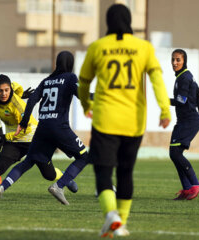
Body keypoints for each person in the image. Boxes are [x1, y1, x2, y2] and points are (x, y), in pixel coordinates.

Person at [78, 4, 171, 237]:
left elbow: (84, 81)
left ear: (108, 22)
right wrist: (164, 110)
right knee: (126, 173)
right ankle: (120, 224)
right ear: (130, 22)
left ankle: (111, 215)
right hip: (134, 121)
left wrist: (85, 104)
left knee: (103, 171)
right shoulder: (144, 48)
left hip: (105, 120)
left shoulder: (98, 47)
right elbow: (157, 80)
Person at [0, 51, 87, 205]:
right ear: (70, 64)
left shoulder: (47, 80)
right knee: (84, 157)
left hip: (42, 128)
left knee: (27, 162)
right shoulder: (70, 77)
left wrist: (24, 122)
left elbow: (32, 100)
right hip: (59, 127)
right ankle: (59, 186)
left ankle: (1, 188)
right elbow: (82, 94)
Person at [0, 74, 65, 201]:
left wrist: (6, 137)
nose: (4, 93)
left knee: (49, 175)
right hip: (15, 141)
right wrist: (21, 93)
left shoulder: (18, 107)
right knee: (0, 165)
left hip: (33, 139)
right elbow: (16, 86)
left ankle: (66, 178)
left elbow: (26, 129)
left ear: (9, 90)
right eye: (0, 90)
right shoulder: (2, 92)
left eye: (6, 90)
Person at [169, 49, 199, 200]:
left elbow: (182, 100)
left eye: (178, 60)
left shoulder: (184, 77)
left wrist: (164, 101)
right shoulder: (184, 76)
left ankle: (194, 184)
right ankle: (187, 188)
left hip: (188, 121)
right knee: (174, 154)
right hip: (184, 121)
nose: (174, 63)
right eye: (173, 59)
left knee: (175, 153)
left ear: (184, 61)